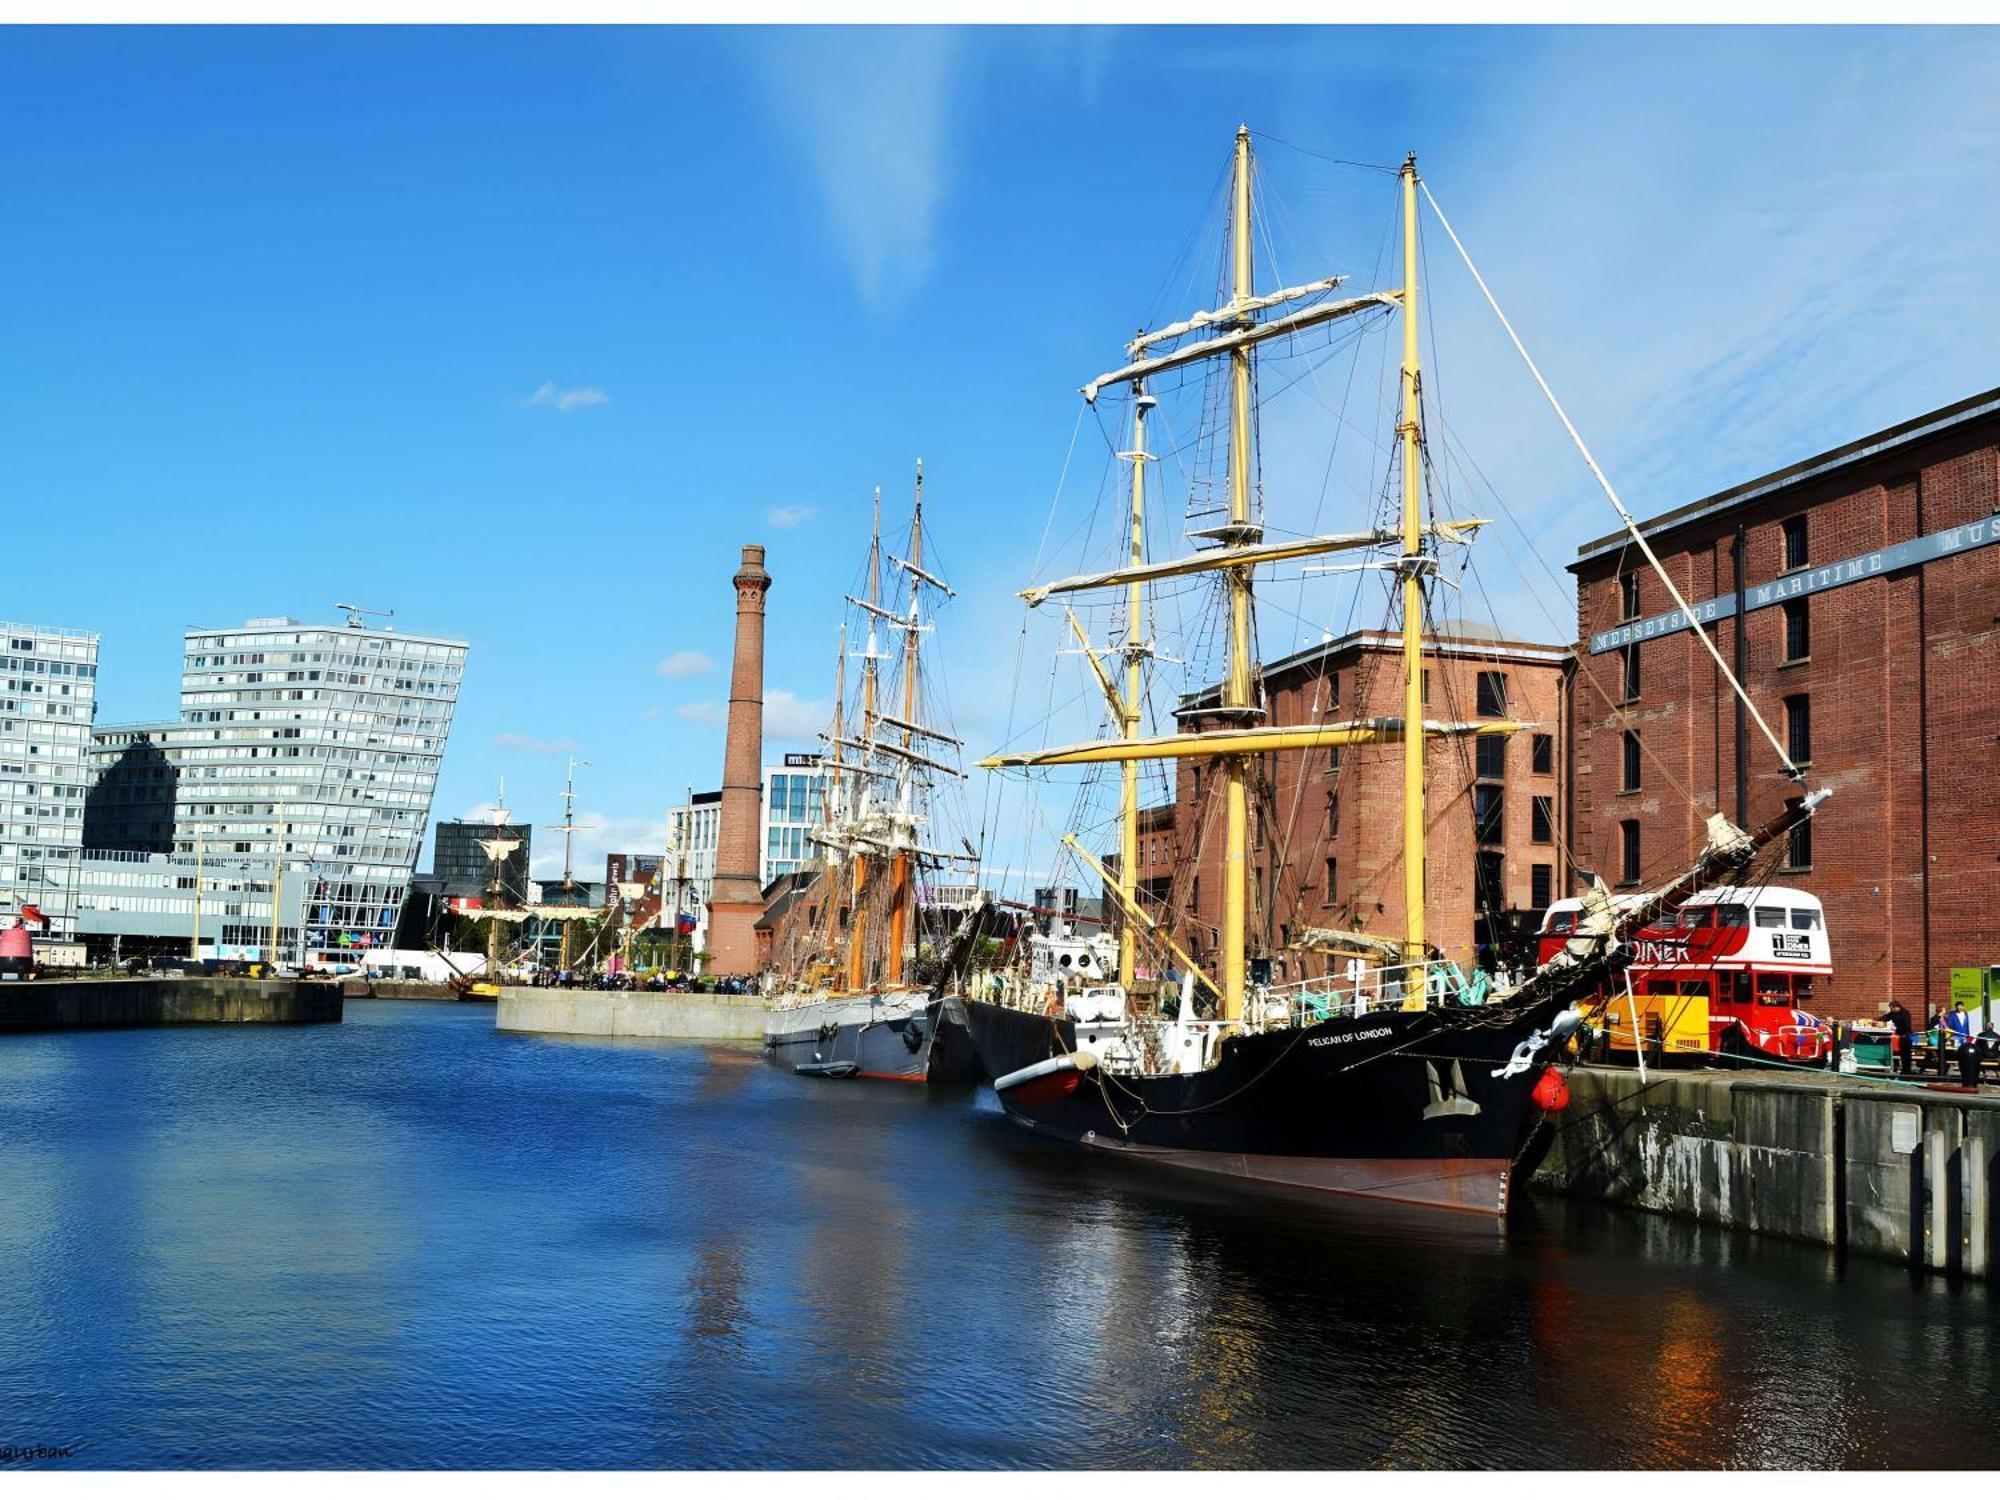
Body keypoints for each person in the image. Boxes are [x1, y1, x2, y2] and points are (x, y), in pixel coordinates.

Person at [1883, 998, 1914, 1076]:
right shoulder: (1892, 1013)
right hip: (1896, 1036)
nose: (1891, 1010)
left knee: (1905, 1054)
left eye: (1892, 1008)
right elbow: (1886, 1017)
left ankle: (1906, 1070)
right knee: (1897, 1053)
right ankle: (1897, 1067)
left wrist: (1896, 1028)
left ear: (1896, 1007)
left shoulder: (1905, 1014)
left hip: (1904, 1036)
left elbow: (1907, 1026)